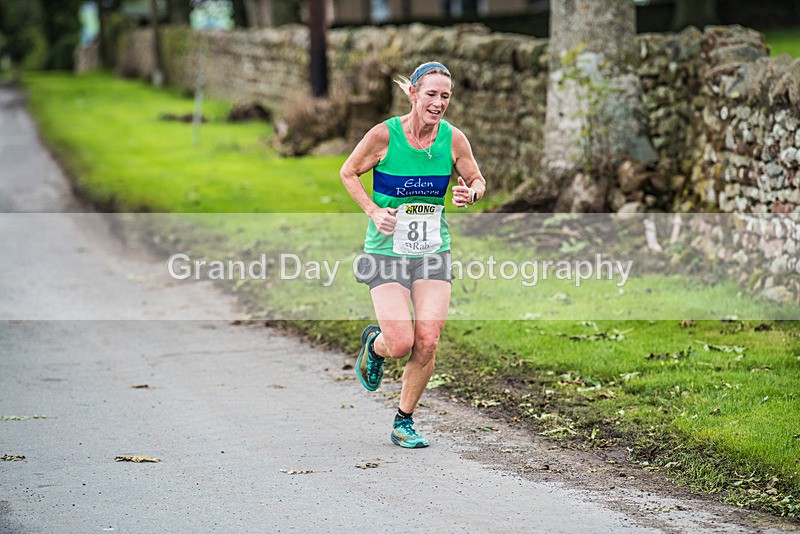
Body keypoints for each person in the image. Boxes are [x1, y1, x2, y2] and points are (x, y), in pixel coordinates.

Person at [340, 61, 487, 448]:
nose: (438, 103)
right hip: (385, 252)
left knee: (429, 339)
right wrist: (374, 210)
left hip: (431, 251)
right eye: (432, 95)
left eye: (445, 97)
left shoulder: (453, 140)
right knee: (401, 342)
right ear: (413, 94)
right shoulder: (384, 136)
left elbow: (476, 179)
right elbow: (348, 172)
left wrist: (469, 193)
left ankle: (403, 420)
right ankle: (375, 345)